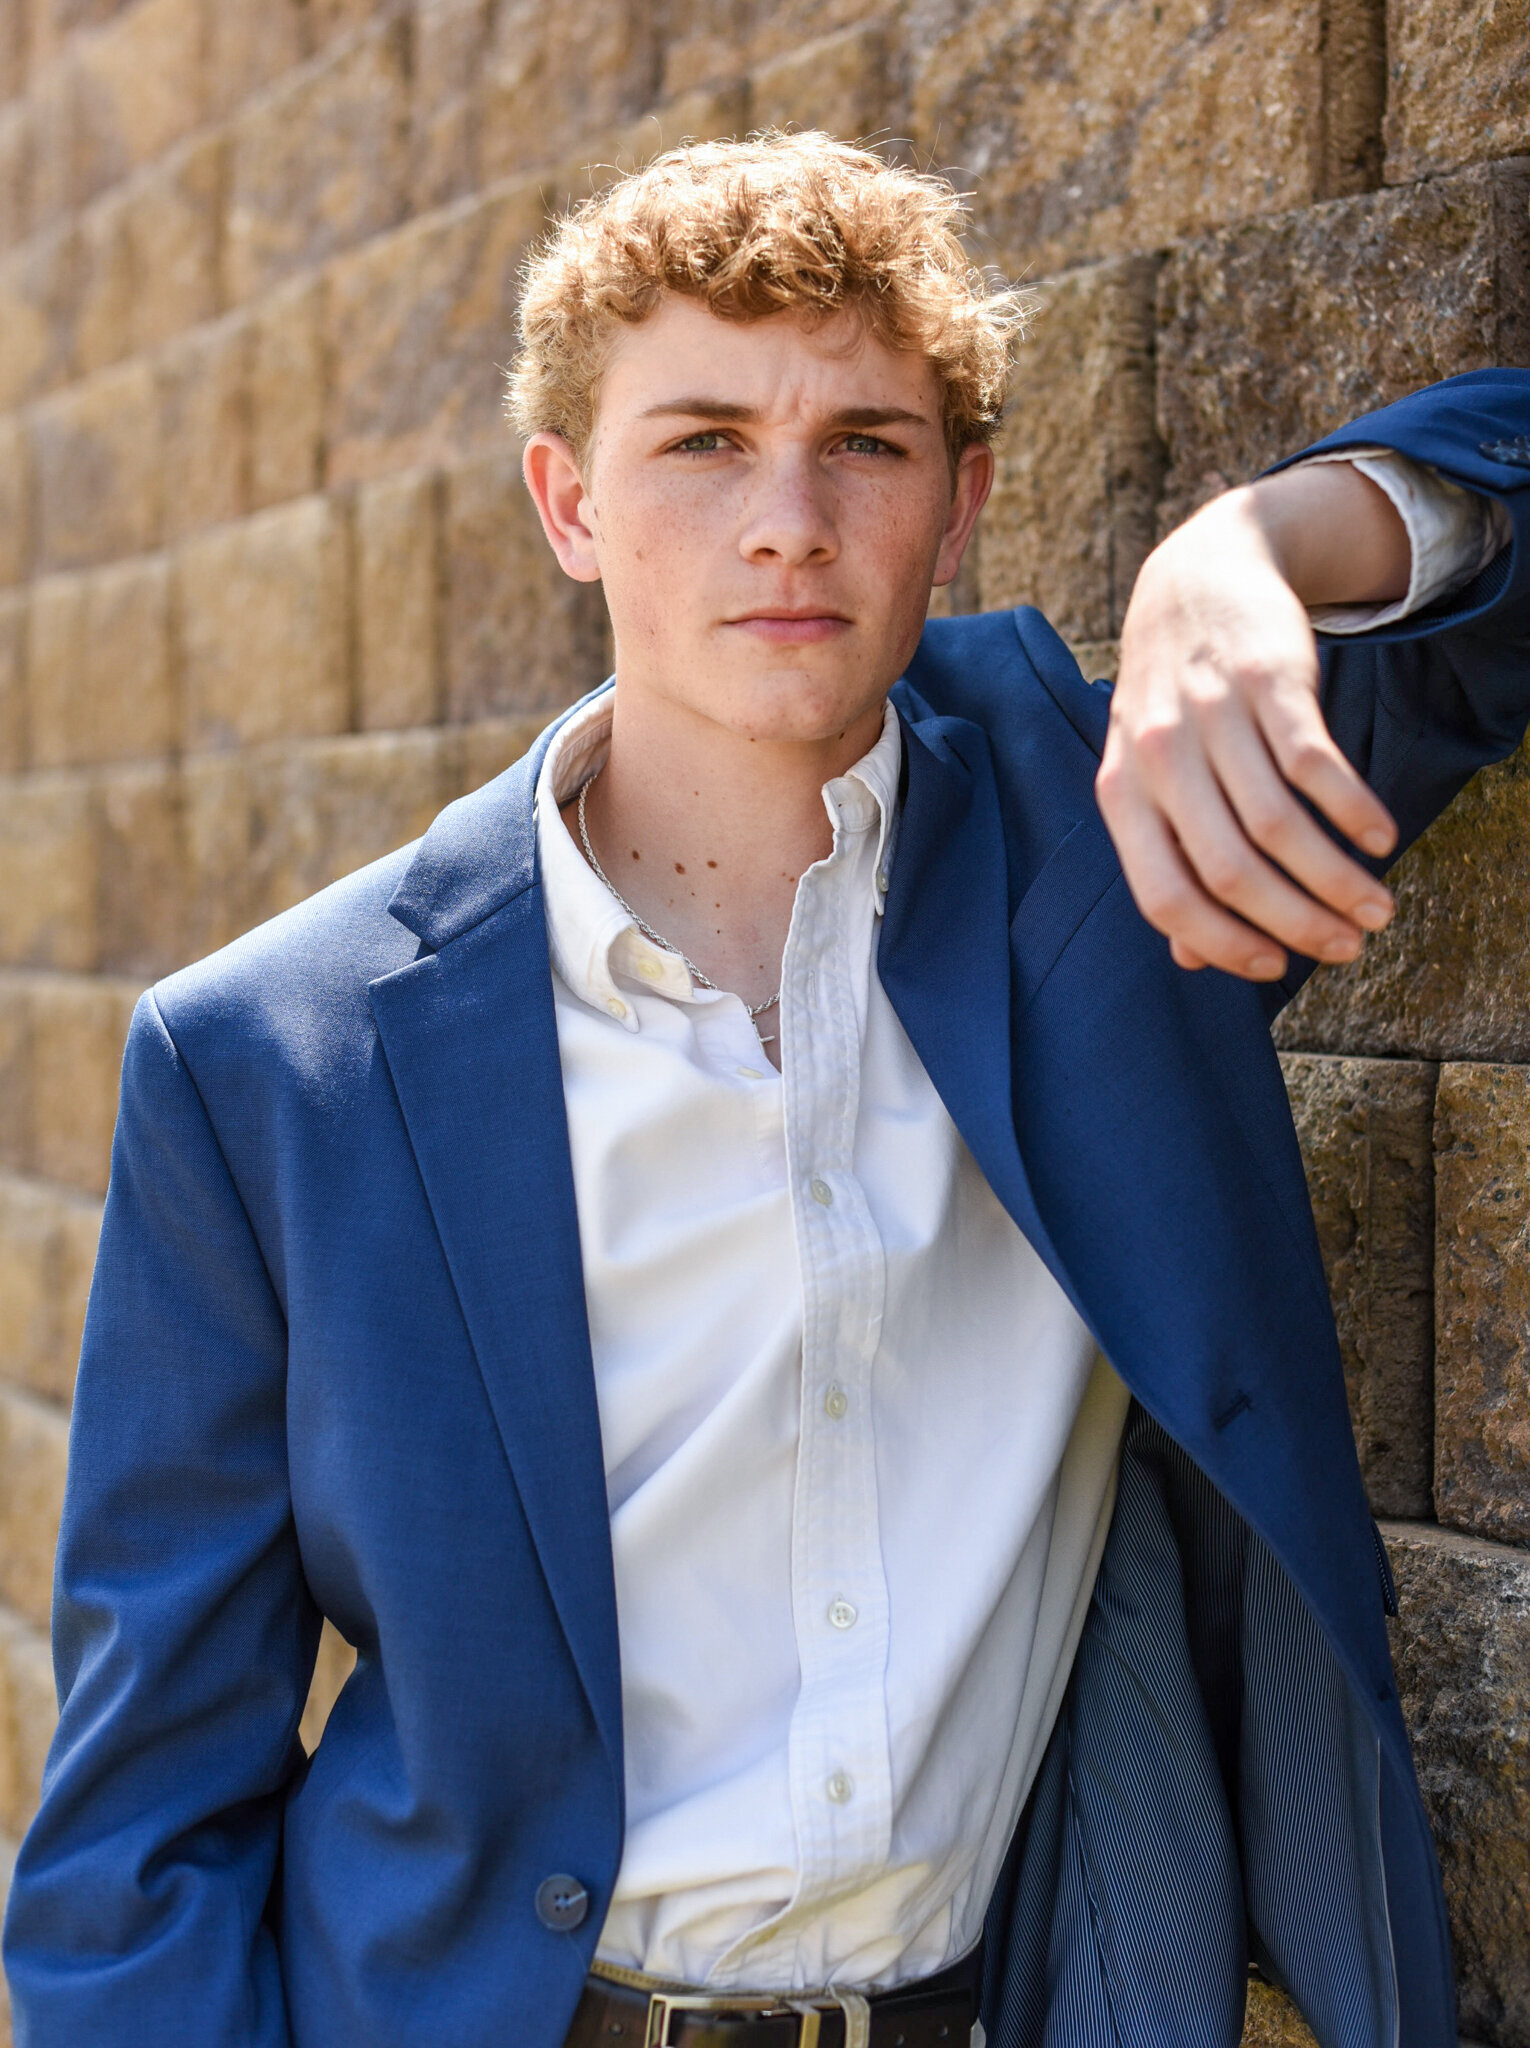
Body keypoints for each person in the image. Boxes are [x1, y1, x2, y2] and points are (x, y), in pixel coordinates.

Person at [5, 132, 1528, 2048]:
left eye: (866, 446)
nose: (788, 519)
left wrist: (1241, 552)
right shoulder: (270, 1059)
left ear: (960, 505)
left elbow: (1507, 475)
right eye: (703, 440)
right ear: (567, 501)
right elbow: (141, 1824)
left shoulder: (1113, 848)